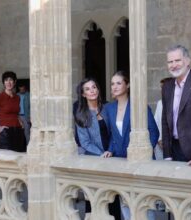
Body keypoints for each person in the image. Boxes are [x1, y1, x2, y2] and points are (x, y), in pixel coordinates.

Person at [102, 71, 159, 220]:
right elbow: (113, 135)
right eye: (112, 84)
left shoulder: (138, 106)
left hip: (141, 161)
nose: (114, 87)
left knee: (144, 203)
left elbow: (154, 132)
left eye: (118, 83)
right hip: (121, 161)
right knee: (125, 202)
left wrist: (143, 152)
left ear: (127, 85)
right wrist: (110, 150)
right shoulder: (109, 108)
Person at [74, 77, 121, 219]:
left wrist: (111, 151)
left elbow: (115, 132)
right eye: (87, 89)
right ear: (83, 94)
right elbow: (84, 142)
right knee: (94, 198)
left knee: (114, 197)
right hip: (95, 160)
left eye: (94, 87)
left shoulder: (109, 108)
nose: (92, 91)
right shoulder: (81, 115)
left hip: (113, 157)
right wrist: (102, 154)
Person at [0, 71, 26, 152]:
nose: (8, 82)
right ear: (4, 83)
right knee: (7, 159)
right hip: (5, 132)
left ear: (14, 82)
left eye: (11, 80)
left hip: (18, 131)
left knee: (20, 156)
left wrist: (21, 122)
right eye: (6, 80)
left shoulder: (17, 97)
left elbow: (16, 113)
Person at [154, 77, 173, 160]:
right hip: (160, 142)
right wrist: (159, 139)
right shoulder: (160, 103)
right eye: (161, 88)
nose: (161, 90)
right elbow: (156, 123)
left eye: (163, 87)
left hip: (173, 144)